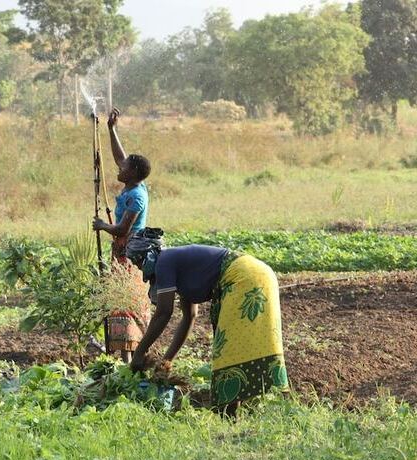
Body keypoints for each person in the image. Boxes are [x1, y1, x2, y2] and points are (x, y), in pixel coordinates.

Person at [125, 228, 289, 416]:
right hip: (258, 274)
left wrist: (139, 353)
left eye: (138, 261)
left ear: (148, 255)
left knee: (229, 349)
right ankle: (241, 409)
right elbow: (189, 317)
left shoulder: (164, 262)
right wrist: (166, 361)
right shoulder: (175, 264)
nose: (138, 268)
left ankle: (230, 412)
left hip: (242, 279)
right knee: (244, 345)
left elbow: (163, 312)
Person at [91, 108, 152, 361]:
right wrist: (111, 129)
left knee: (125, 299)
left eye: (124, 167)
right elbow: (119, 156)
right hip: (122, 251)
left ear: (133, 174)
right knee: (119, 299)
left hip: (130, 253)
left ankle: (131, 353)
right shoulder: (132, 185)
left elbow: (123, 230)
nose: (120, 167)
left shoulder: (136, 196)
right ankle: (125, 354)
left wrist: (102, 226)